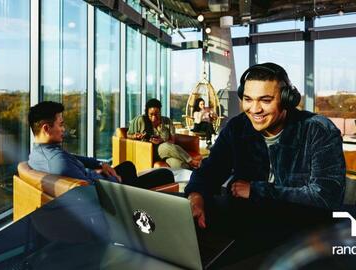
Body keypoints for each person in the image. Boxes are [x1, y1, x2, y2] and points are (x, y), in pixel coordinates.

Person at [184, 63, 346, 265]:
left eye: (266, 100)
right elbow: (211, 169)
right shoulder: (237, 127)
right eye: (248, 99)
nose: (255, 109)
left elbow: (326, 197)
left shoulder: (318, 130)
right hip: (249, 221)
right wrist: (195, 195)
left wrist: (256, 190)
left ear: (287, 100)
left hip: (299, 230)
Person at [28, 101, 174, 189]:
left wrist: (100, 165)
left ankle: (134, 184)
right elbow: (93, 190)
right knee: (165, 174)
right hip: (116, 192)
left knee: (128, 166)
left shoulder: (38, 153)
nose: (64, 129)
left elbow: (76, 159)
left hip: (102, 181)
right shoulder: (58, 161)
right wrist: (115, 178)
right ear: (46, 129)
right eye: (61, 125)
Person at [127, 98, 201, 169]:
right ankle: (191, 161)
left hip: (166, 152)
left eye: (156, 114)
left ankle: (194, 176)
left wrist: (161, 141)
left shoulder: (167, 121)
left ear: (160, 111)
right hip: (149, 151)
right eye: (151, 114)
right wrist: (135, 136)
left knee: (180, 165)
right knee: (165, 146)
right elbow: (128, 135)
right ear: (146, 112)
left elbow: (172, 141)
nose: (154, 118)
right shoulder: (141, 120)